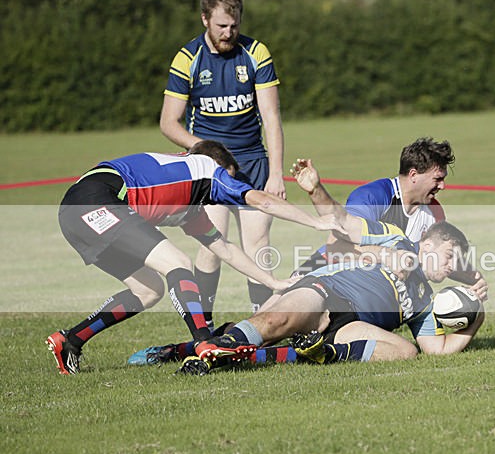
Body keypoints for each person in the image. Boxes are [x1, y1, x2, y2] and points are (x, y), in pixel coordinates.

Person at [47, 141, 340, 375]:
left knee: (148, 290)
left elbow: (224, 248)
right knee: (179, 264)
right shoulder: (206, 169)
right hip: (99, 201)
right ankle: (204, 342)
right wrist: (316, 222)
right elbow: (261, 200)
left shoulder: (190, 203)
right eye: (228, 177)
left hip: (72, 214)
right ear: (219, 166)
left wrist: (273, 282)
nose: (226, 188)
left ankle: (70, 341)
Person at [176, 158, 485, 374]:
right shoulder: (396, 238)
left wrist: (475, 316)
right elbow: (343, 226)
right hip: (327, 291)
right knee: (274, 323)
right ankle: (195, 349)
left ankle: (323, 353)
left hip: (349, 324)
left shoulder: (425, 301)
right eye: (449, 257)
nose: (450, 269)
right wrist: (316, 190)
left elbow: (438, 351)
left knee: (405, 352)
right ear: (428, 244)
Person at [160, 0, 285, 329]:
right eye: (221, 26)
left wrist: (276, 173)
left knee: (258, 244)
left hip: (252, 164)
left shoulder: (256, 53)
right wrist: (209, 150)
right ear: (205, 20)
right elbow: (168, 123)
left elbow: (271, 117)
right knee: (212, 244)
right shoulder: (188, 58)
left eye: (234, 25)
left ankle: (265, 324)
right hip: (209, 167)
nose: (228, 32)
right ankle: (205, 326)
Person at [295, 137, 488, 301]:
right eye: (437, 179)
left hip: (363, 292)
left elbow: (436, 259)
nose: (443, 186)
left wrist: (473, 277)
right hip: (321, 274)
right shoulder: (374, 196)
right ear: (414, 175)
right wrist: (389, 256)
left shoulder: (435, 212)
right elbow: (338, 245)